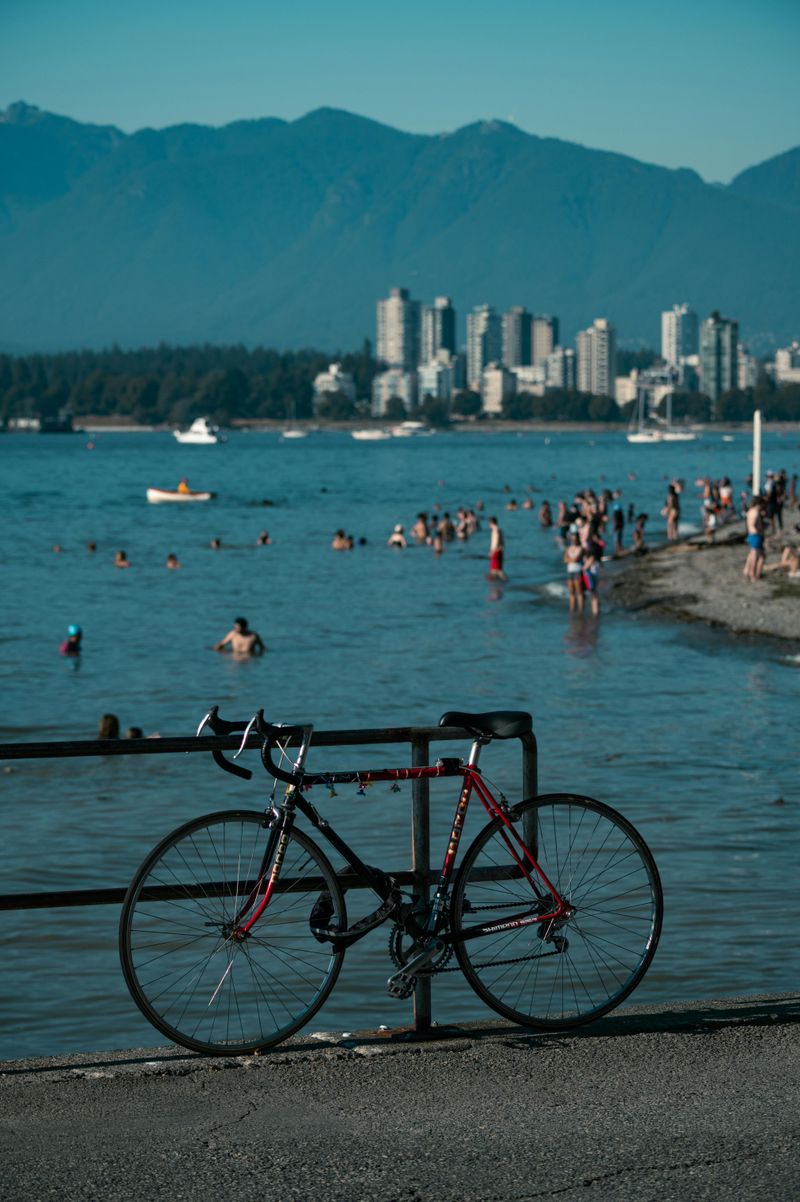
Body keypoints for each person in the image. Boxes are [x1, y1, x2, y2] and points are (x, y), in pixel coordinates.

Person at [743, 496, 766, 581]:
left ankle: (748, 571)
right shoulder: (755, 512)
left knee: (753, 555)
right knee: (758, 557)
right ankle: (753, 575)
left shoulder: (750, 511)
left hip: (752, 536)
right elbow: (752, 526)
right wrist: (760, 532)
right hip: (756, 536)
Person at [563, 534, 584, 613]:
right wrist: (570, 559)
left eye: (575, 539)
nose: (574, 541)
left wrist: (569, 559)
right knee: (571, 592)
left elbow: (576, 559)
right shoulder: (569, 548)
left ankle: (581, 610)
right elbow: (564, 559)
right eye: (572, 539)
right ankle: (572, 609)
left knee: (579, 591)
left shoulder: (580, 548)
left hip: (577, 570)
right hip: (570, 571)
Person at [487, 516, 507, 581]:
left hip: (495, 551)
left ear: (491, 523)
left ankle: (505, 581)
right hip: (499, 551)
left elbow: (495, 541)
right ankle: (496, 584)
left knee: (495, 570)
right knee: (497, 570)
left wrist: (492, 551)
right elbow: (502, 542)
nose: (488, 525)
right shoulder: (499, 530)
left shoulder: (495, 530)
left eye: (489, 523)